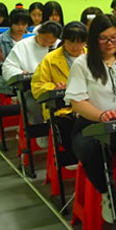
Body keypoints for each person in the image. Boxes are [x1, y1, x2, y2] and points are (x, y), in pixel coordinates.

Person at [65, 15, 116, 222]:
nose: (110, 43)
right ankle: (106, 193)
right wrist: (101, 115)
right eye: (104, 38)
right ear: (94, 39)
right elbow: (77, 102)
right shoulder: (82, 64)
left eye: (115, 38)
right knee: (90, 149)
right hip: (91, 124)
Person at [31, 22, 87, 153]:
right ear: (63, 40)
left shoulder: (93, 57)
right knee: (67, 127)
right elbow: (37, 86)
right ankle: (74, 157)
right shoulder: (50, 59)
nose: (75, 47)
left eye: (80, 43)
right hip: (62, 110)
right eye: (70, 43)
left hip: (90, 105)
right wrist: (54, 88)